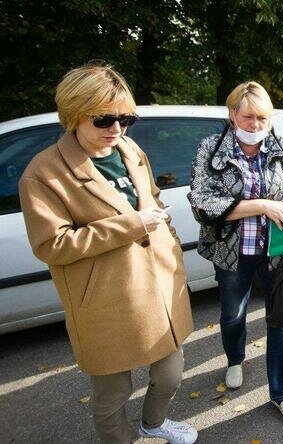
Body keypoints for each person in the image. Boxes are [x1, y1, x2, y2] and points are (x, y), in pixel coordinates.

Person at [18, 65, 197, 444]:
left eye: (126, 118)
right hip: (105, 299)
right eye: (104, 119)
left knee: (170, 373)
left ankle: (153, 423)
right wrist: (132, 225)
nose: (117, 129)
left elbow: (155, 201)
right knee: (113, 393)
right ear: (74, 114)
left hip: (160, 285)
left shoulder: (130, 149)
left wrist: (172, 243)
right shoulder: (43, 172)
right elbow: (53, 245)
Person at [187, 81, 283, 426]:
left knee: (282, 323)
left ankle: (280, 393)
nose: (255, 124)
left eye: (262, 117)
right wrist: (261, 205)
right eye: (248, 117)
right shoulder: (211, 148)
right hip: (233, 254)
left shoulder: (282, 146)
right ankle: (234, 359)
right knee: (232, 315)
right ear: (232, 115)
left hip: (275, 253)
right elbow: (202, 203)